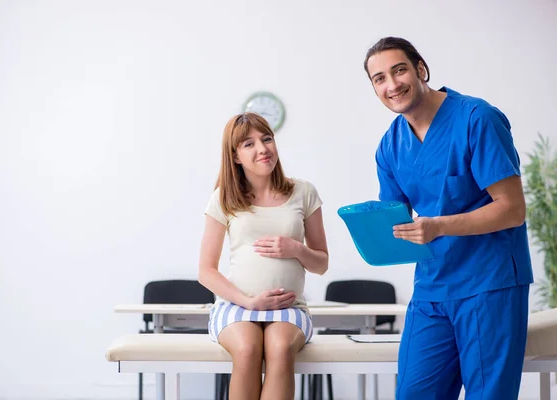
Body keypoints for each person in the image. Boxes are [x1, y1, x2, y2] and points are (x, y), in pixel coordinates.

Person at [363, 37, 534, 399]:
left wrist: (438, 226)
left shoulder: (477, 119)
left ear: (420, 69)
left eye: (399, 70)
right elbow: (396, 220)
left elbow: (513, 209)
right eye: (379, 79)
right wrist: (370, 229)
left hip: (489, 280)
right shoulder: (389, 146)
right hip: (432, 285)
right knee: (413, 393)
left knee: (488, 394)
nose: (391, 85)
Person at [198, 112, 329, 400]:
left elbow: (321, 263)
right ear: (235, 156)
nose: (262, 148)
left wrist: (295, 248)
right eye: (249, 144)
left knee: (280, 347)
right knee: (247, 348)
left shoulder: (303, 192)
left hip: (290, 307)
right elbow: (206, 271)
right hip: (237, 305)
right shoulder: (223, 198)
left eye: (266, 139)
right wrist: (248, 302)